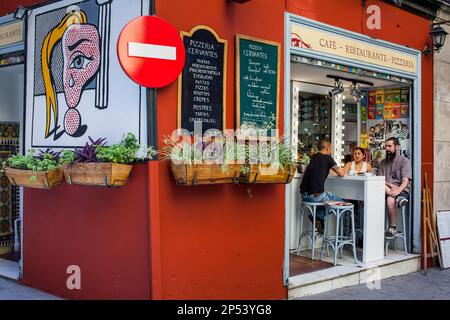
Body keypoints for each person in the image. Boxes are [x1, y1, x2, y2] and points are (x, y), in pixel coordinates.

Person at [300, 140, 345, 233]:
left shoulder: (313, 157)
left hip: (304, 196)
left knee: (328, 201)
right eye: (331, 149)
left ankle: (318, 218)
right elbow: (341, 173)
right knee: (341, 202)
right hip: (315, 196)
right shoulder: (328, 158)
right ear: (327, 149)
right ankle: (318, 216)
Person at [377, 137, 412, 238]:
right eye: (385, 146)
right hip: (385, 188)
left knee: (390, 200)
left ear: (397, 147)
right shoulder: (383, 163)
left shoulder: (405, 161)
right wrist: (390, 190)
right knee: (377, 191)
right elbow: (380, 180)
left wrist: (397, 192)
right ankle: (374, 229)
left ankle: (392, 227)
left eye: (389, 146)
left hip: (400, 189)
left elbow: (405, 181)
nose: (387, 149)